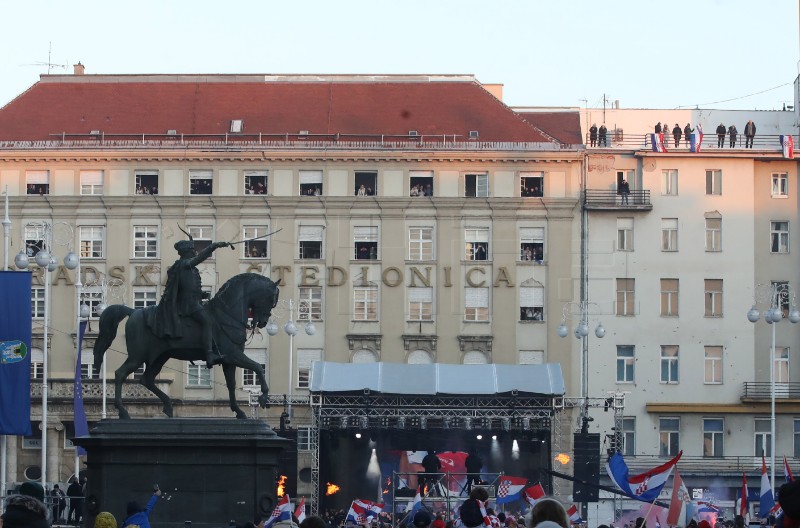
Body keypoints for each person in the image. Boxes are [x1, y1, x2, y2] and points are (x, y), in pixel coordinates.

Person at [150, 236, 234, 368]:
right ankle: (209, 354)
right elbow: (199, 258)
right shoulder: (183, 264)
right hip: (188, 305)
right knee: (208, 321)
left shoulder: (189, 269)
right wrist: (214, 246)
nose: (195, 252)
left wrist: (202, 294)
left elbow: (188, 288)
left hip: (195, 302)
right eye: (192, 250)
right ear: (186, 252)